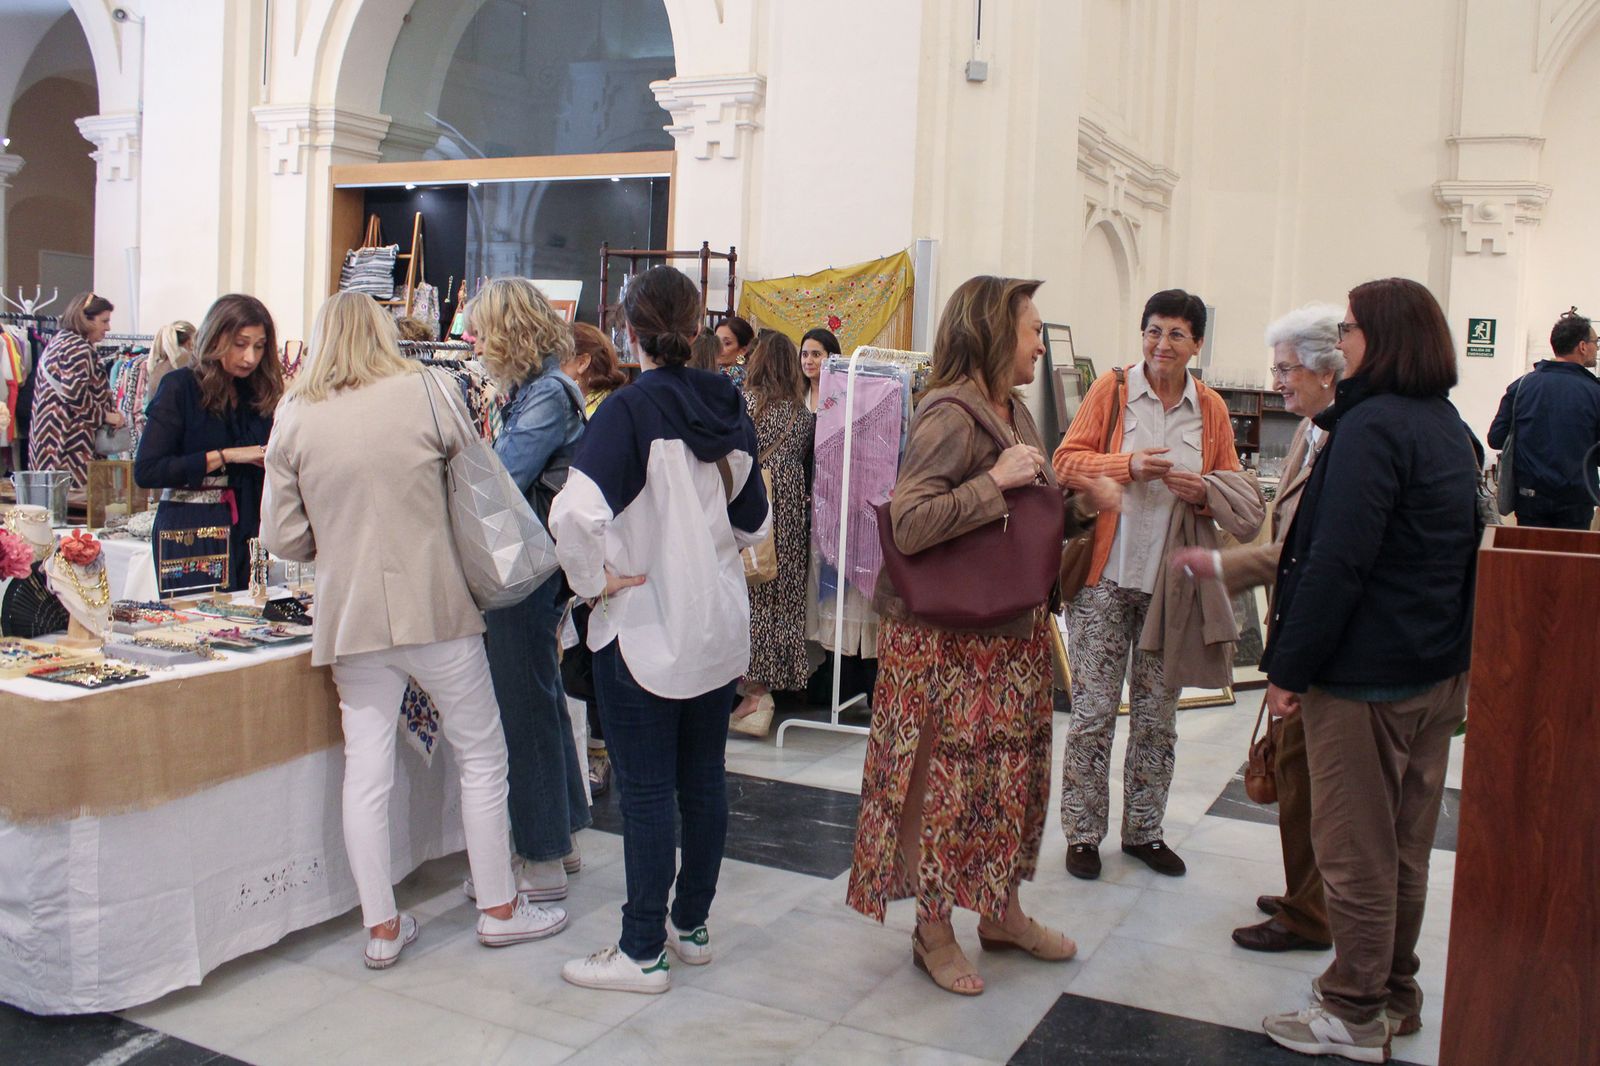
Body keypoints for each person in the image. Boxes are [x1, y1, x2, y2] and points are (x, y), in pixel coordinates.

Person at [260, 291, 567, 968]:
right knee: (482, 755)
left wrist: (338, 545)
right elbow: (477, 483)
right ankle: (498, 907)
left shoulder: (295, 413)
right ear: (384, 333)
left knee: (366, 772)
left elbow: (281, 535)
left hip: (350, 615)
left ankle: (382, 927)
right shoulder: (428, 388)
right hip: (437, 605)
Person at [846, 276, 1119, 997]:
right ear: (995, 334)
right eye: (1031, 330)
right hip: (945, 647)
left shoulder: (1016, 411)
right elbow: (909, 523)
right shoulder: (948, 415)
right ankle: (932, 929)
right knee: (944, 789)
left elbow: (1027, 520)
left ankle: (1001, 911)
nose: (1038, 342)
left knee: (1006, 786)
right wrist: (995, 481)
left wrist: (1079, 509)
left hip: (1007, 638)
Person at [1257, 278, 1477, 1061]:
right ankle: (1396, 993)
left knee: (1356, 853)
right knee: (1406, 849)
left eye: (1349, 329)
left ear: (1380, 339)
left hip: (1364, 679)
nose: (1340, 341)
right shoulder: (1447, 426)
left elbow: (1335, 564)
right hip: (1432, 672)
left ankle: (1352, 1011)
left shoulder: (1372, 428)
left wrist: (1288, 668)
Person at [550, 266, 769, 994]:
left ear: (628, 329)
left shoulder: (628, 410)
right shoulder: (728, 403)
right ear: (698, 320)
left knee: (646, 792)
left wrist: (592, 582)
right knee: (704, 778)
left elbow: (573, 516)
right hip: (715, 621)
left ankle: (642, 948)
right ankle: (692, 926)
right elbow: (753, 521)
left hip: (645, 623)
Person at [1053, 288, 1263, 881]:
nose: (1161, 344)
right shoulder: (1113, 390)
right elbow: (1064, 460)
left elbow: (1230, 484)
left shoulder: (1212, 410)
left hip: (1170, 593)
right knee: (1092, 715)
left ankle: (1144, 832)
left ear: (1197, 343)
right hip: (1104, 582)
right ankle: (1083, 835)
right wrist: (1126, 466)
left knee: (1156, 719)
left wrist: (1204, 489)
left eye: (1175, 334)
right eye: (1152, 331)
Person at [1171, 305, 1344, 955]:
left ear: (1328, 371)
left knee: (1311, 783)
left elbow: (1313, 555)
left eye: (1285, 369)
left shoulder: (1346, 439)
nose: (1276, 382)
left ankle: (1314, 911)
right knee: (1297, 778)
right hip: (1297, 631)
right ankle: (1308, 895)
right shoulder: (1312, 432)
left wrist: (1219, 565)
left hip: (1319, 647)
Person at [467, 278, 590, 902]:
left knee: (524, 708)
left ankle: (540, 855)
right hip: (531, 569)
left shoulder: (544, 394)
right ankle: (559, 841)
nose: (473, 342)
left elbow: (504, 479)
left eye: (483, 330)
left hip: (523, 572)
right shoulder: (541, 391)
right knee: (537, 700)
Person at [135, 295, 281, 592]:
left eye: (259, 346)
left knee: (253, 631)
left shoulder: (259, 392)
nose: (250, 357)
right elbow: (148, 470)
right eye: (240, 344)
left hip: (250, 531)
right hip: (190, 532)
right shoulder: (180, 387)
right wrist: (225, 456)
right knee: (199, 629)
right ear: (217, 337)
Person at [730, 329, 817, 738]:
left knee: (747, 593)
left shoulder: (744, 405)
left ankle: (753, 694)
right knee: (779, 597)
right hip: (788, 519)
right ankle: (765, 690)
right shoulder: (803, 417)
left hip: (753, 508)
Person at [1486, 309, 1600, 529]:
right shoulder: (1595, 393)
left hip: (1529, 500)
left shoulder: (1521, 387)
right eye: (1596, 342)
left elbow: (1496, 438)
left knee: (1531, 562)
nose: (1596, 348)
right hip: (1577, 501)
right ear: (1582, 346)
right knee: (1570, 563)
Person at [28, 291, 125, 487]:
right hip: (69, 445)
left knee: (52, 500)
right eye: (104, 321)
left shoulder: (59, 342)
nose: (108, 327)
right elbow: (76, 396)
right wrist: (107, 416)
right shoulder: (78, 349)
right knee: (76, 504)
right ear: (86, 319)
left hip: (51, 441)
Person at [564, 322, 632, 417]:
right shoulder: (611, 401)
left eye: (557, 359)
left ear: (582, 363)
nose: (551, 369)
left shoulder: (602, 413)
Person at [800, 327, 839, 412]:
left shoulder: (843, 394)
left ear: (832, 358)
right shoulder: (794, 393)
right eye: (805, 355)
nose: (808, 361)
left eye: (816, 354)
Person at [714, 315, 754, 388]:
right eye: (716, 341)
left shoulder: (728, 378)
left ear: (743, 350)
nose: (718, 347)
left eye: (727, 343)